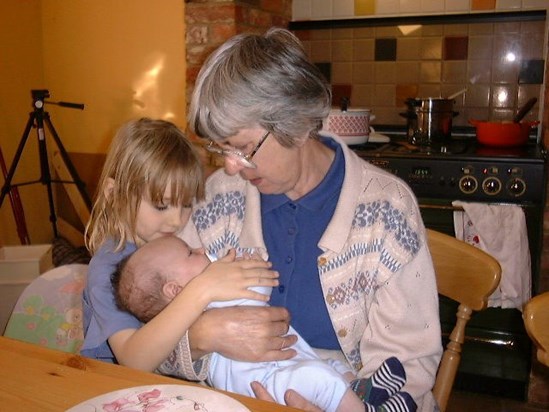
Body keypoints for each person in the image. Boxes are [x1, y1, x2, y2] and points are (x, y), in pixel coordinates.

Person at [177, 28, 443, 412]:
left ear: (299, 123)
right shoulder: (218, 200)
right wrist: (201, 335)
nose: (231, 167)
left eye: (243, 148)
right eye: (222, 149)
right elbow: (155, 323)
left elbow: (409, 364)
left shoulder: (386, 208)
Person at [113, 235, 417, 412]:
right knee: (318, 378)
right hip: (266, 386)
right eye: (191, 253)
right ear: (175, 291)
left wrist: (245, 265)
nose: (203, 250)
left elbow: (258, 290)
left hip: (287, 362)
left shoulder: (208, 285)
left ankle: (363, 392)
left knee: (334, 369)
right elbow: (153, 355)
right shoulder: (198, 302)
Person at [81, 117, 278, 373]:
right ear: (113, 193)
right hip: (116, 388)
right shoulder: (108, 267)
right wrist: (202, 289)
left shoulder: (170, 241)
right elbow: (133, 360)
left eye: (186, 204)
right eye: (161, 205)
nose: (176, 220)